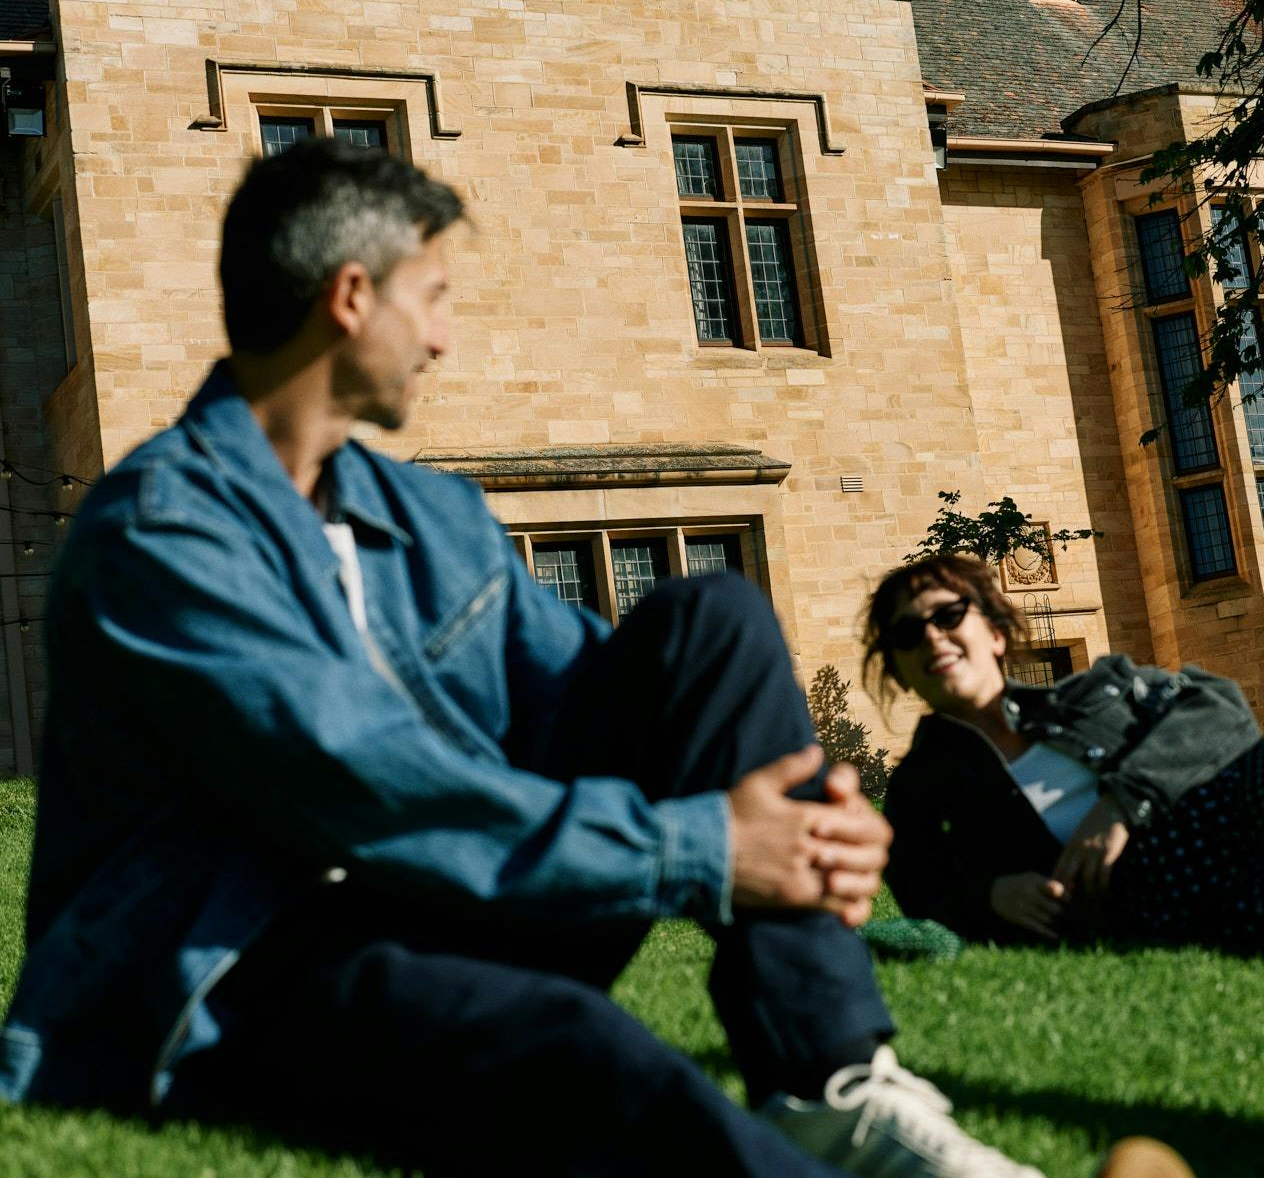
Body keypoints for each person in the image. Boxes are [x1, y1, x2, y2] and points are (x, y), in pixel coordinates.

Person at [0, 140, 1045, 1178]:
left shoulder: (428, 512)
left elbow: (603, 697)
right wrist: (704, 850)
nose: (445, 339)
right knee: (573, 1051)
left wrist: (810, 814)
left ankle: (829, 1082)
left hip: (440, 901)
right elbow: (361, 783)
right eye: (435, 296)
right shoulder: (164, 532)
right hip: (231, 972)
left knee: (711, 618)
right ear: (352, 297)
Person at [863, 554, 1264, 964]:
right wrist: (992, 896)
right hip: (1161, 901)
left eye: (949, 615)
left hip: (1235, 817)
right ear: (897, 667)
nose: (932, 637)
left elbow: (1219, 706)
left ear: (995, 633)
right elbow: (923, 893)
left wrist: (1123, 804)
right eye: (908, 633)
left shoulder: (1091, 694)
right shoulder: (921, 788)